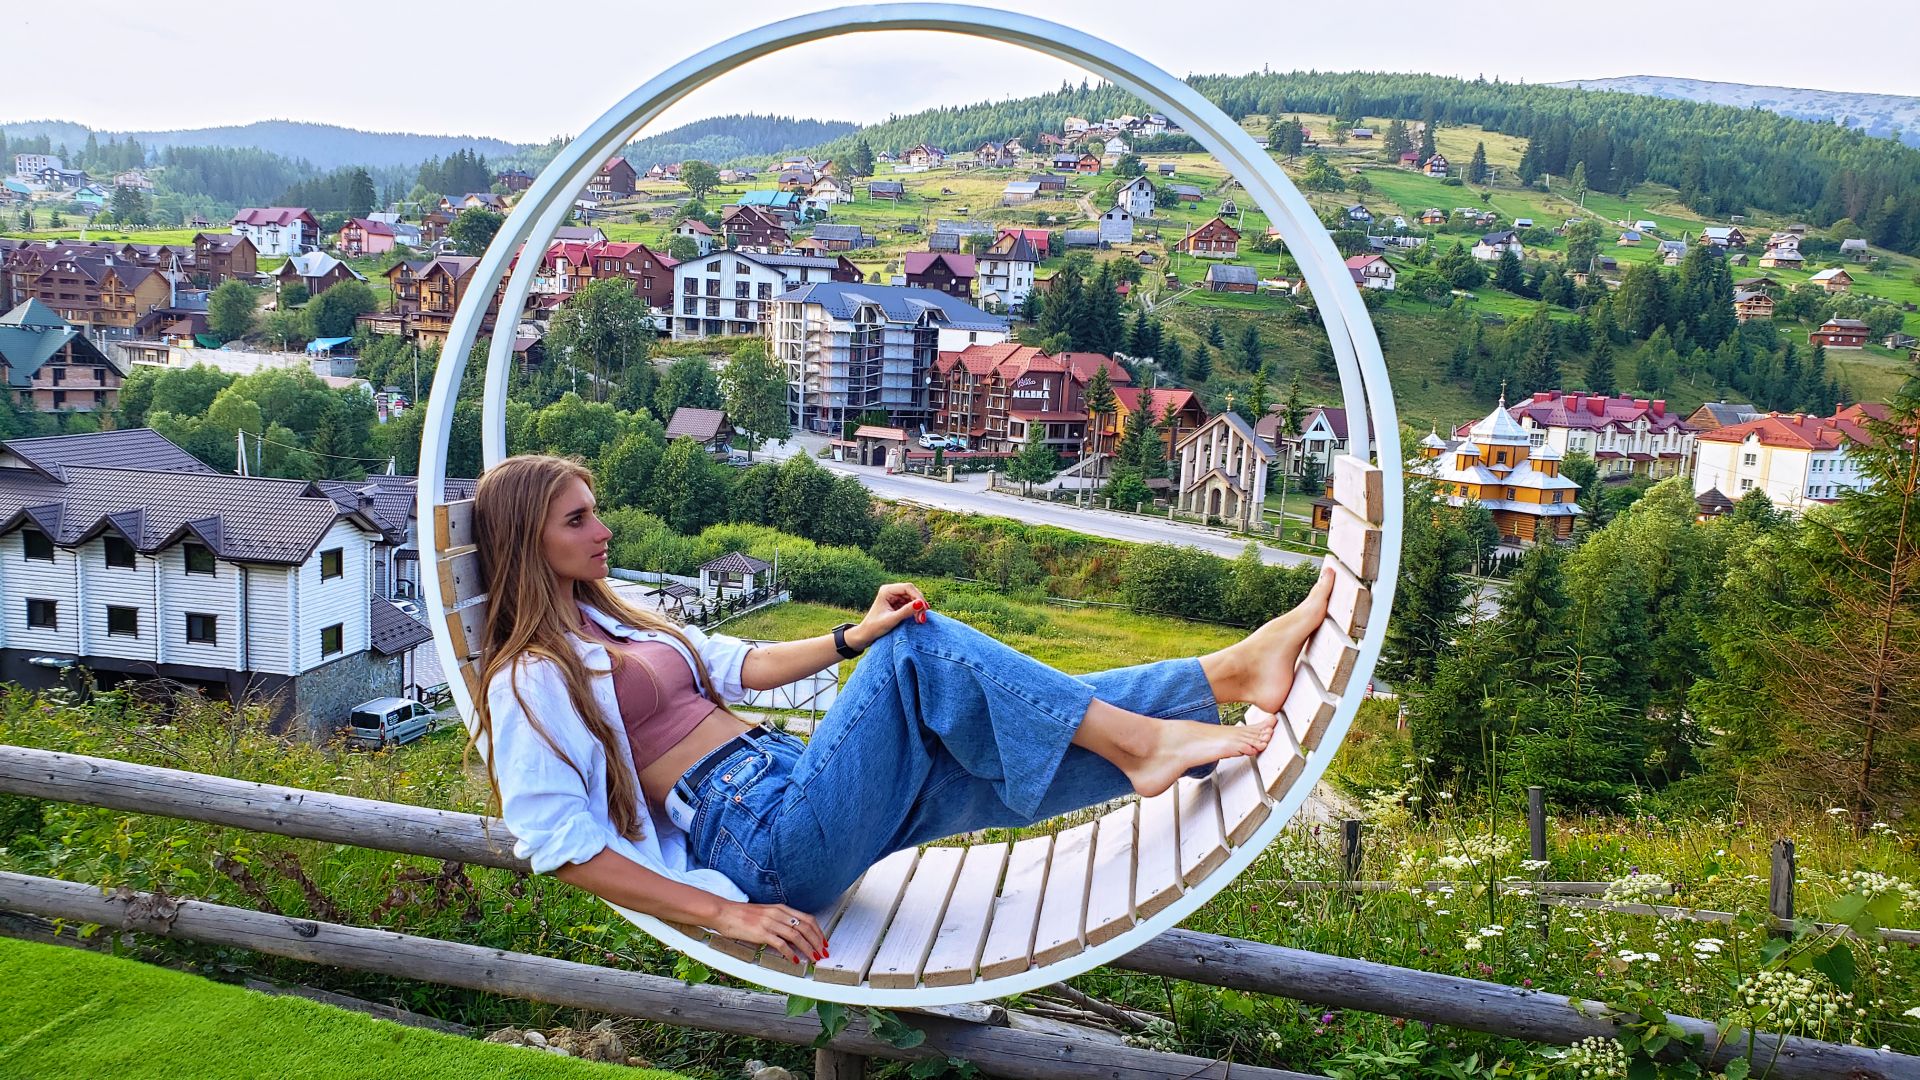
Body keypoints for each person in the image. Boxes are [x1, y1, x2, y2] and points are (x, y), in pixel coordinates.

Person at [472, 454, 1333, 966]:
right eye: (578, 520)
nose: (603, 530)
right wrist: (726, 914)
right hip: (761, 838)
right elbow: (557, 843)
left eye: (595, 512)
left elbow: (743, 667)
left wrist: (855, 635)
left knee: (1002, 731)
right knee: (920, 649)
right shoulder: (530, 678)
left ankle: (1226, 674)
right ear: (525, 541)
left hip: (793, 783)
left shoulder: (616, 620)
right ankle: (1154, 737)